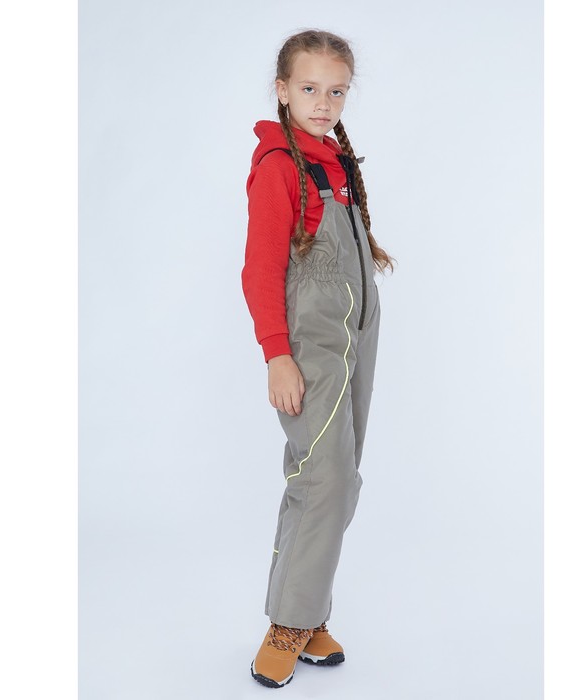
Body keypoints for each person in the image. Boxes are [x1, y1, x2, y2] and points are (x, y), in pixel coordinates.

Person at [241, 29, 394, 689]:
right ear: (282, 91)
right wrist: (277, 355)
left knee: (340, 476)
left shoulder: (335, 159)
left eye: (336, 91)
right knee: (321, 478)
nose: (323, 103)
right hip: (311, 343)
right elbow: (259, 269)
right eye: (309, 88)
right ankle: (286, 623)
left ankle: (308, 612)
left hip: (358, 331)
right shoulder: (280, 166)